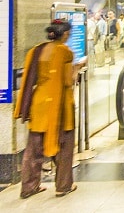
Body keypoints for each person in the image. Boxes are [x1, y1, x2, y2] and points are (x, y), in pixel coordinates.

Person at [13, 20, 86, 199]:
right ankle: (63, 186)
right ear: (65, 34)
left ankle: (29, 187)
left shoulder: (36, 50)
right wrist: (79, 66)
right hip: (60, 107)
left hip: (39, 104)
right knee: (64, 147)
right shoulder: (64, 52)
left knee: (34, 149)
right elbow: (68, 81)